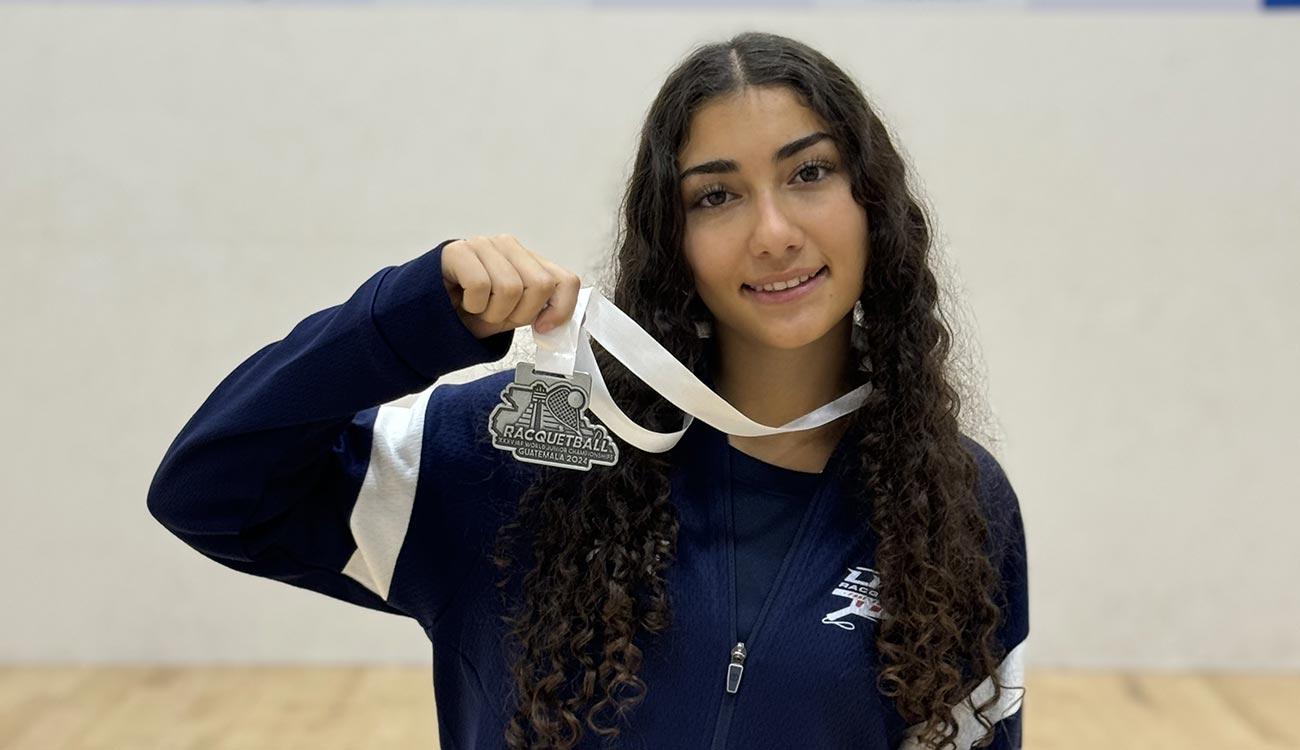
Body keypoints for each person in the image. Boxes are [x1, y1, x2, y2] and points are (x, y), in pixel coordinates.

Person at [147, 30, 1028, 750]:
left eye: (809, 173)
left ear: (871, 199)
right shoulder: (512, 457)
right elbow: (212, 489)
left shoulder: (958, 505)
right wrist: (416, 315)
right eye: (716, 196)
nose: (773, 232)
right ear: (670, 238)